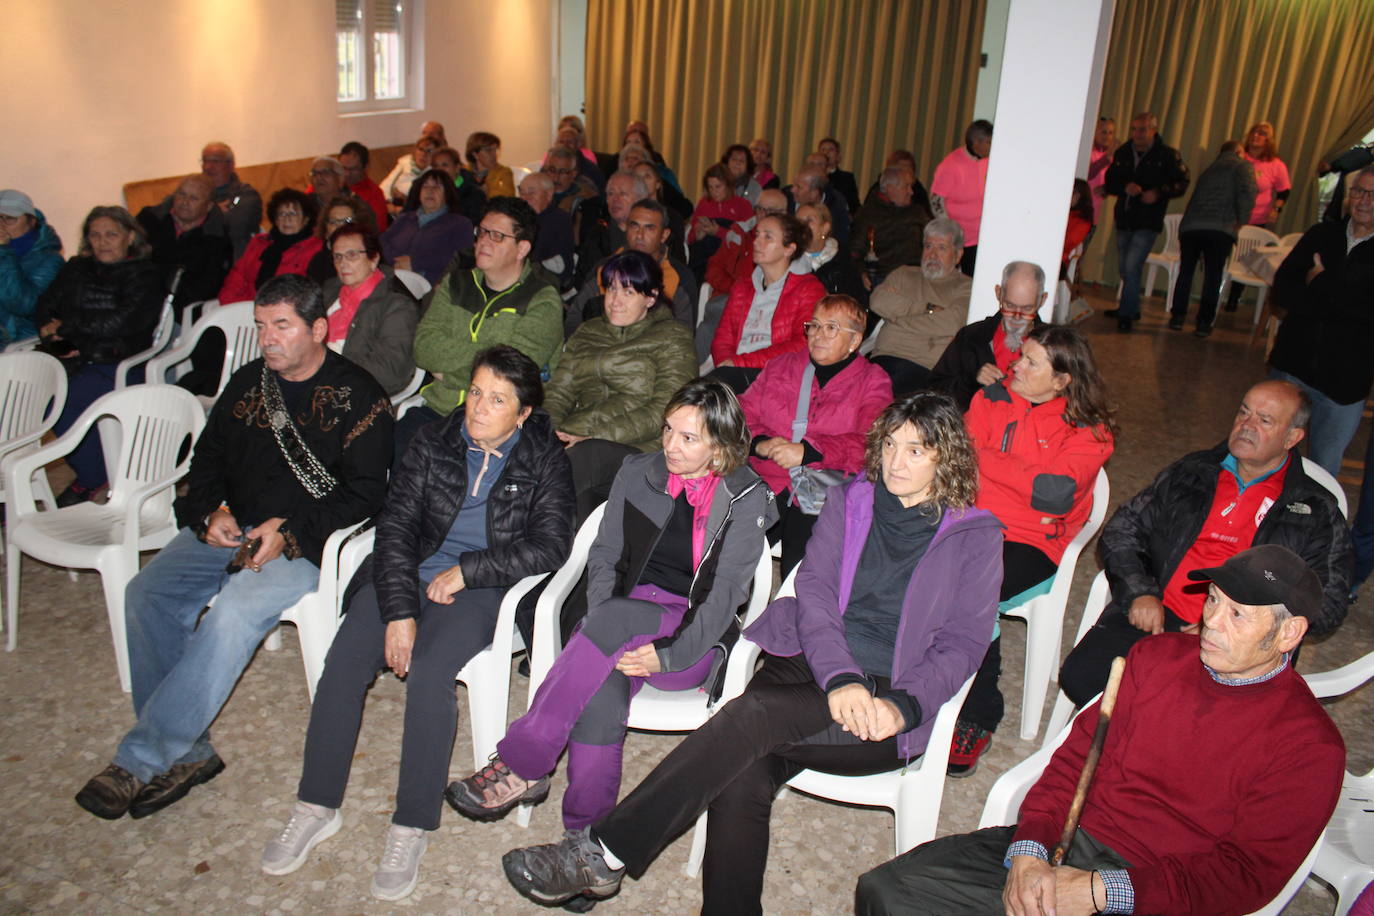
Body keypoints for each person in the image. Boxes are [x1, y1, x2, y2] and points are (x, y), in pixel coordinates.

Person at [498, 392, 1001, 914]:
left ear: (947, 458)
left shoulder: (977, 537)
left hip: (885, 701)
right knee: (743, 771)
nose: (896, 462)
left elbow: (963, 644)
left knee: (752, 717)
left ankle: (604, 852)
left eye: (916, 451)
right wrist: (840, 676)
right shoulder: (850, 502)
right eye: (891, 445)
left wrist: (904, 705)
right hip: (810, 665)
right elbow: (817, 595)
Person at [856, 544, 1344, 916]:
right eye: (1213, 600)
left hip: (1159, 890)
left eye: (1237, 614)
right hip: (1069, 839)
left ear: (1288, 633)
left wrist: (1100, 892)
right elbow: (1072, 760)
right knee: (887, 891)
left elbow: (1244, 876)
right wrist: (1029, 851)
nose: (1212, 622)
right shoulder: (1156, 658)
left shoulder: (1309, 747)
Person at [73, 274, 393, 821]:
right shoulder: (249, 381)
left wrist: (289, 530)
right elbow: (208, 458)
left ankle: (141, 758)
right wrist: (208, 512)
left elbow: (367, 495)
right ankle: (190, 751)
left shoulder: (361, 397)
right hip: (232, 528)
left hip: (305, 545)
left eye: (282, 326)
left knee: (233, 614)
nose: (268, 339)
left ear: (319, 329)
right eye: (261, 327)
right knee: (146, 594)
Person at [259, 344, 572, 901]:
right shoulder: (433, 441)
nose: (478, 407)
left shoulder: (544, 458)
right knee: (345, 661)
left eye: (497, 399)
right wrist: (400, 611)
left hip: (480, 590)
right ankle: (316, 804)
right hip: (407, 572)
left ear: (523, 413)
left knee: (430, 676)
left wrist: (469, 571)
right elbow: (396, 529)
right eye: (476, 391)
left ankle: (412, 824)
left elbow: (550, 546)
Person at [445, 382, 777, 867]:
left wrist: (669, 654)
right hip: (619, 621)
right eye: (668, 429)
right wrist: (601, 620)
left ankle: (524, 761)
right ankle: (583, 842)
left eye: (689, 438)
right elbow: (604, 556)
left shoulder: (746, 497)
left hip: (689, 637)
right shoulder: (638, 472)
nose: (670, 445)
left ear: (721, 446)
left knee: (610, 630)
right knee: (600, 696)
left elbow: (725, 598)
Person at [1058, 379, 1353, 707]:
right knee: (1082, 674)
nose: (1246, 425)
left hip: (1243, 643)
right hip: (1159, 615)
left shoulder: (1315, 510)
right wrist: (1140, 591)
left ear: (1292, 437)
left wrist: (1238, 628)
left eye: (1264, 420)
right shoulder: (1194, 471)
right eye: (1243, 413)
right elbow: (1122, 530)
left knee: (1192, 715)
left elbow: (1328, 604)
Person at [950, 325, 1116, 776]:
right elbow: (955, 461)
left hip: (1034, 543)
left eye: (1030, 362)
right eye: (1020, 356)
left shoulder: (1090, 430)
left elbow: (1054, 494)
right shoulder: (992, 400)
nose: (1015, 366)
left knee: (971, 586)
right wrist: (1019, 482)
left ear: (1062, 380)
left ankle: (978, 712)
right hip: (972, 524)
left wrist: (984, 465)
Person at [739, 294, 892, 574]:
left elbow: (872, 443)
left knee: (803, 572)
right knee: (732, 556)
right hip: (769, 478)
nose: (818, 335)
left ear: (855, 341)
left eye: (831, 328)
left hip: (825, 491)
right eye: (814, 325)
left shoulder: (873, 380)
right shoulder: (781, 367)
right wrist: (760, 443)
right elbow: (739, 417)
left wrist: (809, 451)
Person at [402, 197, 563, 454]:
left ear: (522, 249)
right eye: (482, 232)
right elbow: (423, 347)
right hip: (439, 410)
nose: (484, 241)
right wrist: (482, 362)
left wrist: (446, 372)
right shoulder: (456, 283)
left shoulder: (542, 300)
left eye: (497, 236)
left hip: (499, 423)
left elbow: (512, 375)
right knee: (403, 446)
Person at [545, 251, 698, 520]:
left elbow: (666, 412)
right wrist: (549, 432)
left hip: (643, 448)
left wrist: (594, 435)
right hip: (579, 439)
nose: (615, 300)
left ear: (650, 297)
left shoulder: (673, 337)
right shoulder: (587, 332)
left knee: (585, 457)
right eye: (612, 289)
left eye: (628, 292)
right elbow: (558, 393)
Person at [34, 206, 163, 506]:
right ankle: (86, 473)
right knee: (31, 396)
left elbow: (125, 322)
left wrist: (67, 327)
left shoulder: (145, 274)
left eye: (111, 234)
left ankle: (93, 477)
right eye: (95, 235)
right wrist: (51, 331)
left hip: (118, 359)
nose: (103, 242)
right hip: (70, 355)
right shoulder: (76, 267)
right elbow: (45, 306)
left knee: (63, 399)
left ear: (130, 237)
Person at [1267, 164, 1374, 476]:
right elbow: (1284, 290)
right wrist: (1342, 299)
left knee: (1322, 469)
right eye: (1358, 191)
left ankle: (1310, 524)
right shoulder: (1321, 234)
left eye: (1372, 194)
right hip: (1292, 365)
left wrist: (1320, 284)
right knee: (1267, 454)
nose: (1363, 200)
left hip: (1345, 382)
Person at [710, 213, 827, 394]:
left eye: (768, 237)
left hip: (778, 373)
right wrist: (727, 365)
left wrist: (739, 363)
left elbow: (803, 343)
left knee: (708, 394)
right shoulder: (743, 286)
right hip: (733, 371)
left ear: (789, 249)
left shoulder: (808, 289)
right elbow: (723, 338)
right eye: (757, 235)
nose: (756, 242)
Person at [1102, 112, 1190, 332]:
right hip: (1124, 218)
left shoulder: (1167, 155)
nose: (1137, 134)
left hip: (1148, 221)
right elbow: (1110, 182)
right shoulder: (1123, 152)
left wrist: (1158, 193)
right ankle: (1131, 307)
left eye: (1142, 129)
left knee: (1132, 265)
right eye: (1134, 129)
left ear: (1153, 130)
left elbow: (1182, 182)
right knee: (1125, 267)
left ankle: (1126, 314)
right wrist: (1125, 187)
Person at [869, 217, 972, 395]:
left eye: (942, 248)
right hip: (883, 360)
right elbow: (877, 301)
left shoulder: (966, 286)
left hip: (924, 367)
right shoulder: (904, 273)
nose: (932, 254)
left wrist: (897, 319)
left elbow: (952, 323)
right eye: (928, 246)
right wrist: (927, 309)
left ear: (958, 254)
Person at [928, 259, 1047, 409]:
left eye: (1027, 309)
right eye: (1009, 305)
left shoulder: (1053, 346)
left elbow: (1070, 404)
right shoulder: (971, 337)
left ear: (1042, 300)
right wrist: (971, 381)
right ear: (999, 293)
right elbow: (934, 393)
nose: (1017, 317)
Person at [1168, 140, 1257, 337]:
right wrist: (1241, 221)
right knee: (1213, 275)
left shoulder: (1209, 170)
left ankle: (1177, 317)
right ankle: (1203, 322)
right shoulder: (1242, 167)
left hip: (1191, 227)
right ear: (1238, 152)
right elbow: (1248, 194)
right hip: (1219, 227)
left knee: (1186, 272)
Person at [320, 225, 419, 397]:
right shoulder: (328, 292)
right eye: (338, 257)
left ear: (373, 259)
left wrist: (325, 373)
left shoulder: (397, 305)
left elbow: (389, 371)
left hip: (354, 392)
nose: (343, 263)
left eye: (352, 255)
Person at [572, 199, 696, 331]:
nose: (639, 235)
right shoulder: (605, 268)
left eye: (649, 228)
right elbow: (575, 316)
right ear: (626, 228)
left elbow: (684, 332)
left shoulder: (680, 277)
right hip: (601, 344)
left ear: (664, 235)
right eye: (634, 226)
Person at [137, 174, 233, 320]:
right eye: (181, 194)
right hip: (140, 296)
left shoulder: (216, 239)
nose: (184, 202)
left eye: (194, 198)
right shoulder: (149, 220)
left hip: (182, 311)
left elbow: (208, 286)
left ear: (208, 206)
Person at [218, 188, 322, 305]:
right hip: (247, 307)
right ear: (275, 220)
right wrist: (241, 305)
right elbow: (237, 278)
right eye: (281, 214)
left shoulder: (315, 248)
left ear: (306, 219)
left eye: (293, 213)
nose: (287, 219)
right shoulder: (259, 243)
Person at [379, 168, 474, 286]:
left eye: (437, 187)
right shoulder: (405, 218)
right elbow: (383, 241)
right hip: (391, 277)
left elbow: (460, 259)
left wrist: (415, 263)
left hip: (431, 286)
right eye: (425, 186)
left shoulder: (460, 224)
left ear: (447, 193)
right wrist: (396, 262)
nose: (430, 191)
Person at [850, 167, 934, 286]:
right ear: (890, 188)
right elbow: (855, 251)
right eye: (907, 187)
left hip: (917, 276)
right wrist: (862, 273)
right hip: (884, 278)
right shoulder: (868, 214)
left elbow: (934, 239)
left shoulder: (918, 212)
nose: (911, 192)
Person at [0, 189, 63, 346]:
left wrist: (4, 252)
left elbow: (23, 305)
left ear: (31, 221)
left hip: (20, 344)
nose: (1, 225)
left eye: (9, 219)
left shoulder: (50, 260)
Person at [930, 120, 993, 276]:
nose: (993, 146)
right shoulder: (950, 165)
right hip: (962, 241)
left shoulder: (990, 161)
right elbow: (936, 201)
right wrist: (950, 234)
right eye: (989, 142)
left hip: (984, 237)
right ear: (976, 143)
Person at [571, 171, 649, 295]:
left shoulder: (653, 235)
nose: (615, 199)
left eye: (622, 193)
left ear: (641, 199)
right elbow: (583, 281)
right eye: (610, 194)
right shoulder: (598, 233)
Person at [186, 141, 263, 260]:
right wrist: (216, 211)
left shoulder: (247, 195)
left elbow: (235, 228)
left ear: (231, 165)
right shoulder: (192, 192)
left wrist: (200, 213)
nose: (207, 167)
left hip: (233, 262)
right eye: (205, 161)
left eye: (215, 161)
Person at [688, 164, 755, 281]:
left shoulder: (743, 205)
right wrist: (698, 234)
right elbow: (690, 239)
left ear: (728, 185)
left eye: (718, 187)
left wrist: (718, 232)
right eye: (710, 187)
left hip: (731, 257)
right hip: (704, 257)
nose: (714, 192)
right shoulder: (704, 203)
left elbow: (747, 240)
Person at [797, 202, 867, 305]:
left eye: (809, 220)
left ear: (824, 228)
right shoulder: (787, 260)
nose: (801, 226)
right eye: (797, 221)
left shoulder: (844, 264)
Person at [304, 196, 379, 286]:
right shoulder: (318, 261)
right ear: (325, 227)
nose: (339, 227)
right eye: (333, 222)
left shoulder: (369, 253)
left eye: (346, 221)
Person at [518, 172, 576, 288]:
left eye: (531, 192)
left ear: (549, 195)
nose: (524, 198)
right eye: (521, 192)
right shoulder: (519, 218)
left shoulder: (558, 220)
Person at [789, 165, 851, 246]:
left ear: (814, 193)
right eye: (793, 185)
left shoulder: (836, 208)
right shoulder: (785, 199)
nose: (792, 190)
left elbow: (841, 241)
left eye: (799, 187)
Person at [429, 146, 488, 225]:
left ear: (457, 167)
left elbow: (471, 225)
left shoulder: (473, 194)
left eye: (445, 165)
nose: (439, 170)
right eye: (435, 166)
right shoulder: (425, 192)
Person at [339, 141, 389, 230]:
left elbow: (377, 229)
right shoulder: (331, 184)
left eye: (353, 169)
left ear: (366, 167)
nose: (347, 174)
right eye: (343, 168)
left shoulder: (374, 194)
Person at [382, 136, 440, 208]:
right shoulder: (404, 163)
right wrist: (388, 202)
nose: (423, 154)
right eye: (420, 149)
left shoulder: (435, 174)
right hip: (390, 205)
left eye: (429, 151)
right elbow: (386, 185)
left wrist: (405, 200)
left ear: (436, 155)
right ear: (415, 151)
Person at [544, 146, 599, 220]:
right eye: (552, 170)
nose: (556, 177)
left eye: (562, 172)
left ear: (574, 174)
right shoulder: (537, 193)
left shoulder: (587, 200)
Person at [465, 131, 515, 198]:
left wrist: (487, 194)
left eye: (496, 149)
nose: (494, 154)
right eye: (488, 150)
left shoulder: (504, 173)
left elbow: (507, 199)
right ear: (475, 154)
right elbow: (455, 187)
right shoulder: (463, 172)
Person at [817, 137, 860, 215]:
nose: (826, 153)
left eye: (831, 149)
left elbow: (854, 205)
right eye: (823, 150)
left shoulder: (847, 178)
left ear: (838, 156)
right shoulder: (813, 177)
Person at [1062, 178, 1095, 275]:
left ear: (1077, 196)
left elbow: (1068, 243)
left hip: (1061, 260)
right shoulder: (1068, 213)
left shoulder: (1082, 221)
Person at [1086, 117, 1116, 224]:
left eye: (1110, 133)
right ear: (1095, 133)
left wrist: (1106, 189)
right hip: (1080, 212)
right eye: (1103, 132)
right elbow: (1087, 174)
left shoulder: (1114, 159)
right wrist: (1106, 158)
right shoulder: (1088, 152)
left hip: (1096, 215)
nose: (1107, 136)